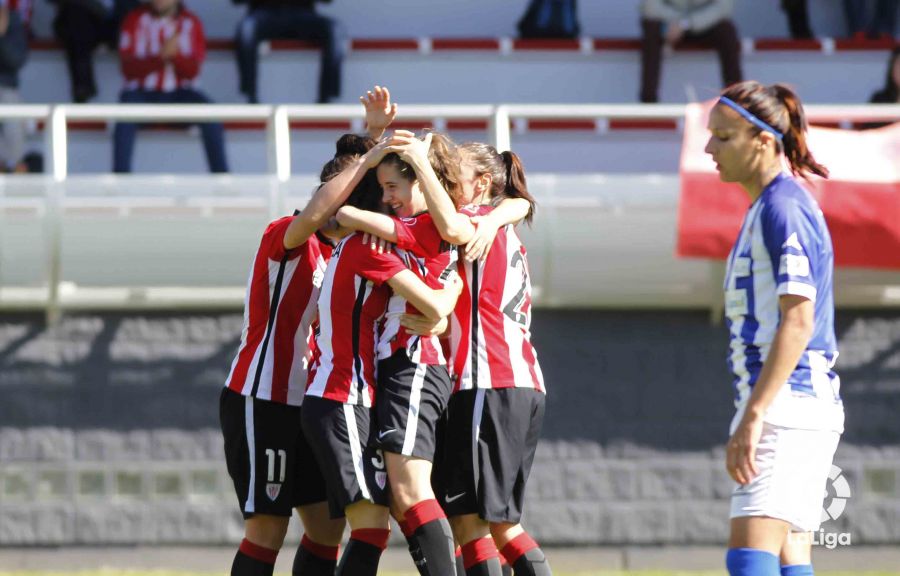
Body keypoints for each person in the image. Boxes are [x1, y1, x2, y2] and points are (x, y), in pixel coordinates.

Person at [221, 87, 398, 576]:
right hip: (264, 398)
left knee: (326, 530)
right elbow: (318, 214)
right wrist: (367, 151)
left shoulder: (350, 251)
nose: (379, 196)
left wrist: (377, 136)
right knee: (267, 530)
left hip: (312, 404)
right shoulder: (287, 234)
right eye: (368, 183)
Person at [385, 135, 549, 576]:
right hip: (517, 380)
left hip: (487, 379)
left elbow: (457, 230)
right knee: (499, 526)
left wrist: (418, 161)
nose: (440, 182)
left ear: (481, 183)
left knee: (472, 524)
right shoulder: (503, 223)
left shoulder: (474, 219)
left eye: (450, 175)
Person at [301, 150, 465, 575]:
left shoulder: (405, 232)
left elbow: (440, 273)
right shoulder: (366, 246)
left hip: (382, 379)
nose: (390, 198)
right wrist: (442, 306)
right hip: (342, 394)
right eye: (385, 190)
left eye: (395, 188)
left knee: (392, 506)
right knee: (374, 519)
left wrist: (442, 306)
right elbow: (432, 297)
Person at [703, 81, 844, 576]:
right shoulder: (770, 205)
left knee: (749, 557)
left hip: (789, 402)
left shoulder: (784, 207)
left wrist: (755, 414)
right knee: (790, 557)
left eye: (722, 137)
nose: (708, 148)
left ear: (763, 140)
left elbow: (798, 318)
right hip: (798, 402)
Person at [114, 0, 228, 173]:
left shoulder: (191, 22)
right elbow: (127, 68)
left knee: (211, 115)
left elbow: (193, 71)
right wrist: (160, 57)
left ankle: (222, 181)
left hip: (180, 95)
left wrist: (174, 56)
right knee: (123, 116)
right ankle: (120, 181)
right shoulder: (134, 19)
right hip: (141, 95)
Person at [233, 0, 345, 104]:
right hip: (264, 14)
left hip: (303, 14)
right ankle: (250, 97)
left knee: (335, 29)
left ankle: (326, 99)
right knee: (246, 29)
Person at [639, 0, 743, 103]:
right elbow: (650, 7)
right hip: (668, 26)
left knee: (727, 31)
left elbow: (724, 7)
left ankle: (736, 102)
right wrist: (676, 22)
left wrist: (686, 23)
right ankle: (648, 102)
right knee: (651, 29)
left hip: (703, 25)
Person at [50, 0, 139, 103]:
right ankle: (83, 88)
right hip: (80, 23)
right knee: (75, 17)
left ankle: (83, 87)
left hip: (116, 22)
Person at [0, 0, 27, 172]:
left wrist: (1, 37)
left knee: (15, 150)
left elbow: (16, 59)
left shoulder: (12, 20)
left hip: (6, 87)